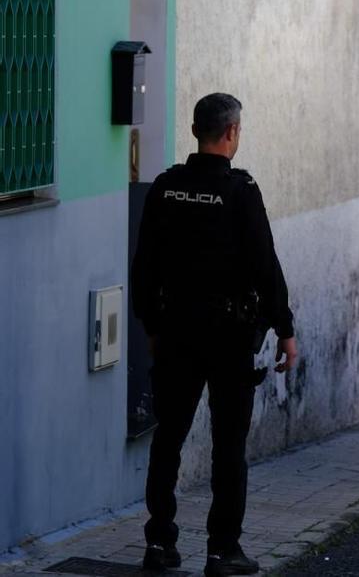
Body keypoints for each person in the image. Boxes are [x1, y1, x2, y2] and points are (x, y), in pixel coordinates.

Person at [132, 93, 298, 576]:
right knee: (229, 446)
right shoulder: (241, 190)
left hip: (176, 332)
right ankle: (223, 550)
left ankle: (159, 545)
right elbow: (265, 266)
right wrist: (285, 329)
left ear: (195, 130)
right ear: (231, 133)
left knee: (168, 439)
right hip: (228, 336)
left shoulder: (165, 188)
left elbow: (144, 267)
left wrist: (152, 327)